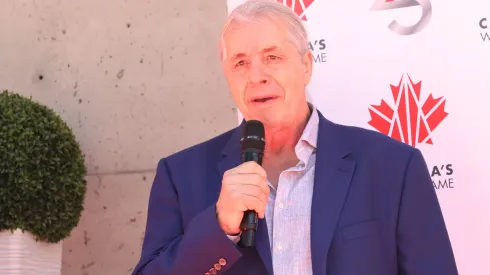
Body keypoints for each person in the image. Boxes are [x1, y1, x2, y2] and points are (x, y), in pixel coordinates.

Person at [131, 1, 459, 274]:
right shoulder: (180, 175)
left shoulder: (392, 167)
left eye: (272, 57)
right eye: (240, 63)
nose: (257, 76)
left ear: (306, 66)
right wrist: (219, 228)